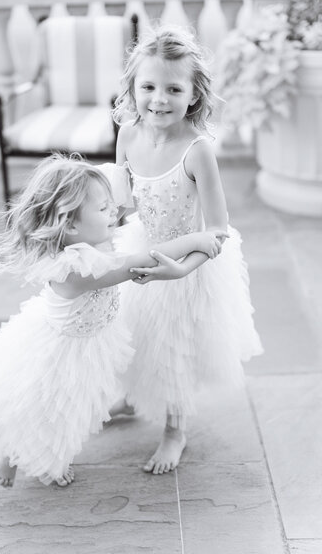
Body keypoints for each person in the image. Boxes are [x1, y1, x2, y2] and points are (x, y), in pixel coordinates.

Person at [0, 155, 227, 489]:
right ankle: (22, 458)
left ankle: (12, 452)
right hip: (64, 353)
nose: (113, 212)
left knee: (51, 407)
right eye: (103, 210)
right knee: (52, 413)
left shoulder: (88, 240)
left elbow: (116, 209)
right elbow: (140, 261)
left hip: (87, 337)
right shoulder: (77, 269)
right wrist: (196, 240)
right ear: (70, 225)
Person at [112, 24, 263, 475]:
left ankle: (175, 429)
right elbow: (122, 203)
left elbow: (218, 231)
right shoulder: (127, 135)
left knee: (173, 344)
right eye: (149, 87)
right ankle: (132, 396)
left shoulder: (197, 151)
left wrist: (182, 270)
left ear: (194, 95)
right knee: (133, 329)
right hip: (144, 245)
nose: (159, 99)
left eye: (173, 89)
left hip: (190, 262)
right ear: (133, 88)